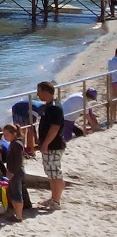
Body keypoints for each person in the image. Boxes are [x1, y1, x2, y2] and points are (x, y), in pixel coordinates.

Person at [36, 80, 66, 210]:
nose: (38, 95)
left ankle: (56, 201)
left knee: (55, 173)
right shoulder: (51, 105)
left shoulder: (54, 107)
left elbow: (55, 127)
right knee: (51, 173)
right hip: (50, 145)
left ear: (45, 92)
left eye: (39, 91)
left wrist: (46, 143)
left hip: (53, 146)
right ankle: (54, 198)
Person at [1, 124, 29, 221]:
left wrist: (12, 172)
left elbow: (18, 161)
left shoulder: (17, 144)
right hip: (13, 171)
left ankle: (19, 216)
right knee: (12, 192)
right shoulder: (13, 143)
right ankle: (16, 213)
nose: (4, 137)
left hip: (16, 172)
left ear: (13, 133)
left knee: (17, 193)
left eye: (6, 134)